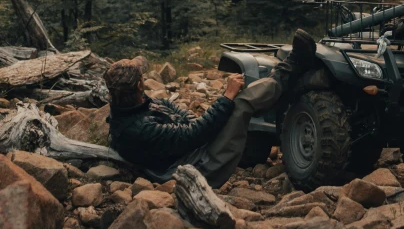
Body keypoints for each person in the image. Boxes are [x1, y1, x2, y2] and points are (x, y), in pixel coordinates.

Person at [103, 30, 316, 188]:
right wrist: (226, 97)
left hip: (193, 151)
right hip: (199, 167)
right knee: (240, 104)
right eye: (142, 77)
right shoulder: (137, 128)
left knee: (226, 108)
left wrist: (201, 118)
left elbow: (178, 112)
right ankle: (293, 66)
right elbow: (195, 133)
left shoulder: (132, 103)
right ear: (139, 85)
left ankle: (254, 142)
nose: (145, 77)